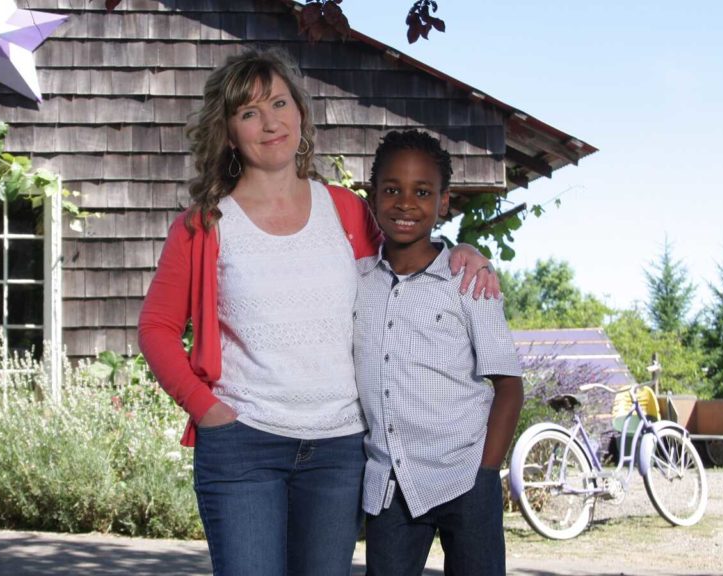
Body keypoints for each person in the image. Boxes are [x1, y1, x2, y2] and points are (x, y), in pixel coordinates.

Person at [137, 50, 500, 576]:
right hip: (244, 445)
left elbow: (403, 263)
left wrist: (460, 251)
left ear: (301, 114)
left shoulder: (345, 210)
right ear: (229, 132)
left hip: (338, 450)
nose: (270, 123)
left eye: (280, 103)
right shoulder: (206, 225)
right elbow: (157, 329)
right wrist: (208, 410)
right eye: (249, 113)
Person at [354, 129, 524, 576]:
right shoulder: (357, 283)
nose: (405, 203)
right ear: (372, 197)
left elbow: (508, 386)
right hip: (390, 484)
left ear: (443, 203)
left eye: (422, 192)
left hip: (466, 477)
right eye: (391, 190)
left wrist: (487, 475)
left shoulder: (468, 282)